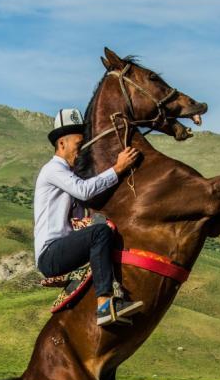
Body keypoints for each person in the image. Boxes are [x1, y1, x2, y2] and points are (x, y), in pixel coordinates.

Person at [34, 108, 144, 326]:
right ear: (62, 144)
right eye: (78, 145)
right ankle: (104, 304)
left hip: (63, 247)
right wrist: (118, 168)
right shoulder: (53, 170)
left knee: (103, 230)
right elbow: (84, 191)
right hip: (51, 253)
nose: (81, 151)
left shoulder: (67, 174)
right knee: (99, 233)